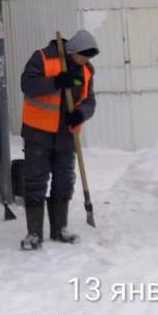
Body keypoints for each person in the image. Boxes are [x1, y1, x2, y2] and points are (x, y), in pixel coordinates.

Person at [18, 30, 98, 251]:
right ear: (73, 51)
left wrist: (81, 114)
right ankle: (34, 233)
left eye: (89, 56)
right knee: (35, 181)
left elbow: (89, 100)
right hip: (38, 132)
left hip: (66, 134)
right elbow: (27, 85)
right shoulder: (42, 58)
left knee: (64, 180)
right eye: (84, 55)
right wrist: (55, 82)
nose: (86, 60)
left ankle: (59, 228)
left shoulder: (87, 70)